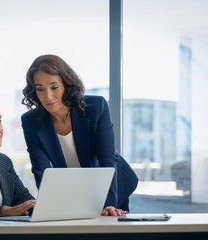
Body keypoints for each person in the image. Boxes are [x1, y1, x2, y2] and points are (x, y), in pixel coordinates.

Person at [21, 54, 139, 216]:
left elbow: (107, 158)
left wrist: (109, 204)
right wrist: (50, 206)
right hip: (74, 192)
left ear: (66, 84)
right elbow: (41, 169)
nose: (47, 96)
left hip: (112, 185)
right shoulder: (31, 121)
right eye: (40, 88)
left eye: (54, 87)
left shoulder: (96, 107)